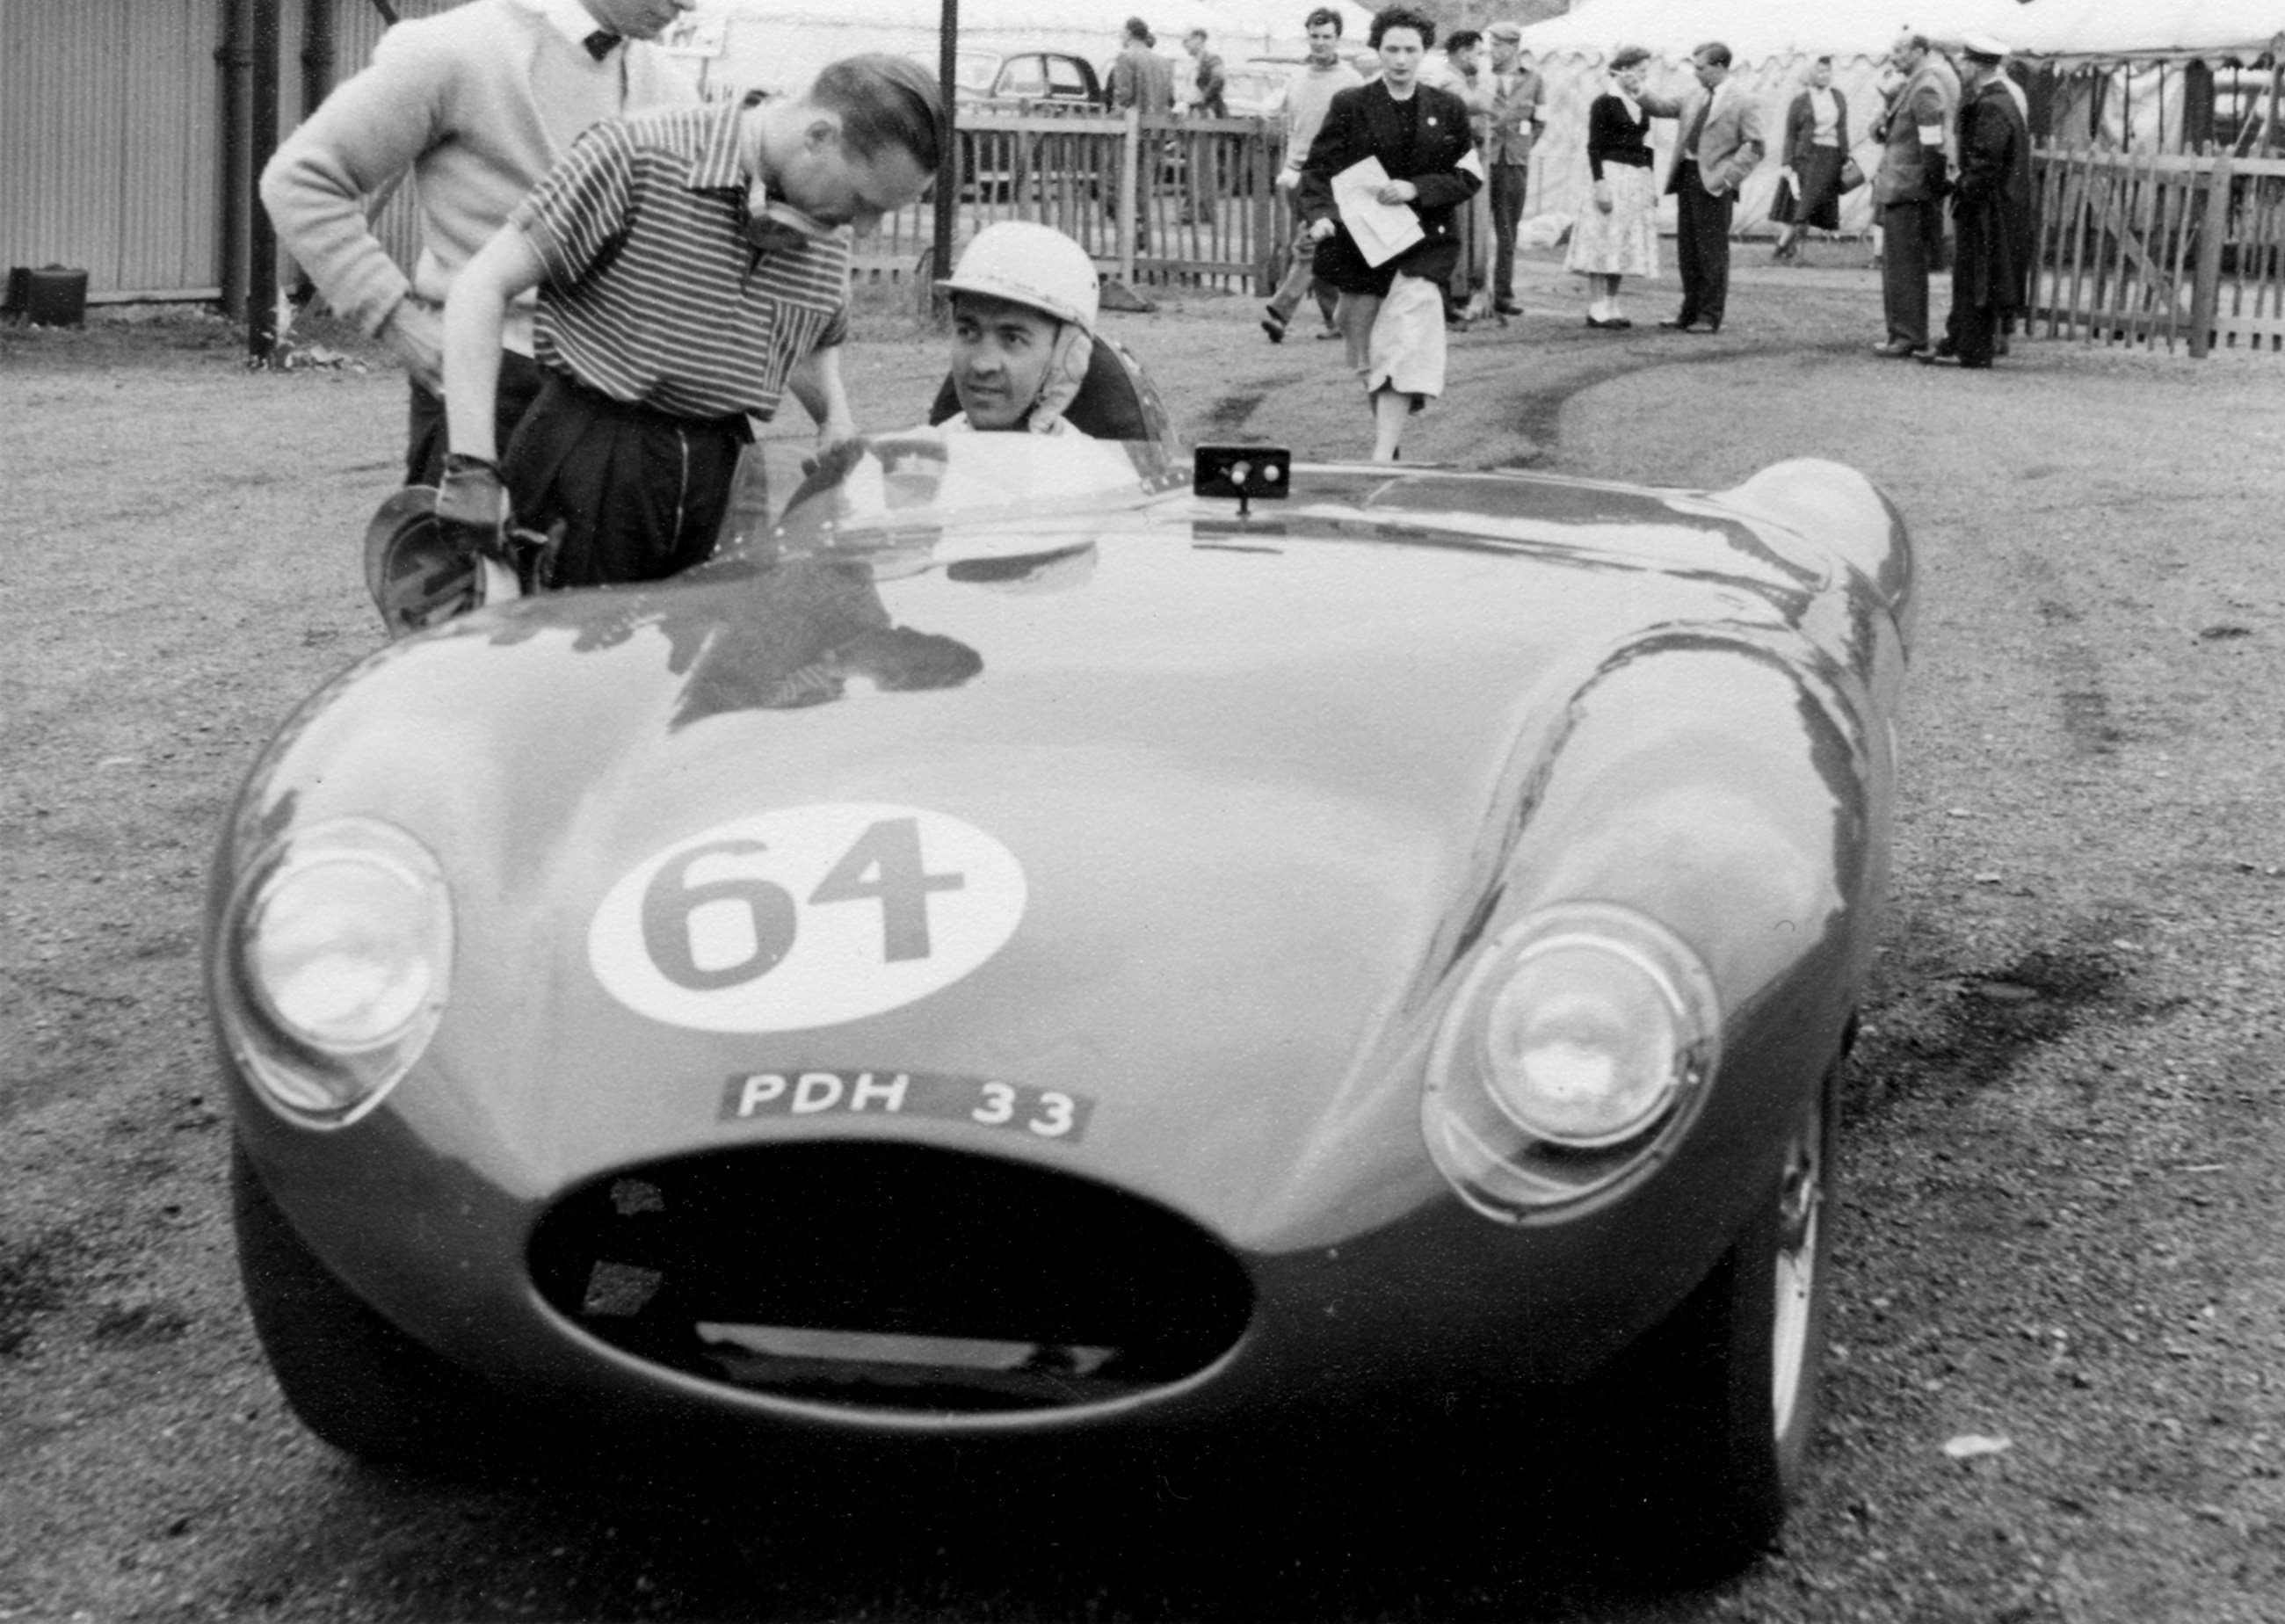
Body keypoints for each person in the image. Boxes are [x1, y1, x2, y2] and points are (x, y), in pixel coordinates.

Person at [435, 54, 942, 590]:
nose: (864, 230)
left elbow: (807, 338)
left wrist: (834, 415)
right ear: (819, 136)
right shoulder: (636, 154)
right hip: (595, 458)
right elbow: (480, 286)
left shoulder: (823, 222)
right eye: (864, 202)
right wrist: (471, 467)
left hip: (721, 473)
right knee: (570, 663)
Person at [261, 0, 702, 489]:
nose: (690, 5)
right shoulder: (456, 49)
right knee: (474, 563)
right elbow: (300, 179)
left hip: (624, 403)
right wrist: (395, 319)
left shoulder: (670, 86)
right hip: (487, 387)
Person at [1300, 5, 1484, 462]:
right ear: (1377, 50)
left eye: (1411, 50)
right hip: (1363, 244)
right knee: (1365, 348)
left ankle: (1381, 457)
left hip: (1424, 245)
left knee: (1402, 342)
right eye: (1392, 49)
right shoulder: (1351, 105)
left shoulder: (1448, 108)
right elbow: (1319, 169)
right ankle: (1390, 432)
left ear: (1426, 52)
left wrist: (1416, 189)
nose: (1401, 60)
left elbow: (1468, 174)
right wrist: (1321, 214)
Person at [1925, 37, 2034, 370]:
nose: (1961, 68)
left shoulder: (1992, 105)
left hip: (1988, 206)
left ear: (1976, 65)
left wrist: (1962, 186)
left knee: (1978, 278)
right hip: (1991, 203)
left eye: (1965, 63)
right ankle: (1957, 342)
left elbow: (1987, 162)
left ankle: (1972, 350)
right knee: (1971, 276)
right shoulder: (1997, 100)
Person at [938, 223, 1102, 433]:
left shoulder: (1087, 464)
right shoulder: (922, 457)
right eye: (968, 332)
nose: (982, 365)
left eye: (1012, 339)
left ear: (1066, 356)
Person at [1261, 6, 1362, 344]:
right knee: (1323, 247)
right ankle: (1336, 322)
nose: (1320, 43)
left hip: (1332, 176)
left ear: (1338, 39)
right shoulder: (1297, 78)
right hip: (1298, 173)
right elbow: (1283, 119)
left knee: (1310, 243)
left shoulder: (1351, 81)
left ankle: (1281, 309)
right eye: (1315, 36)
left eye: (1327, 37)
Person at [1653, 41, 1764, 336]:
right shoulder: (1695, 95)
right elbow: (1662, 107)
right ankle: (1688, 312)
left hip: (1715, 183)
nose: (1695, 73)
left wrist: (1728, 180)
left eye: (1700, 68)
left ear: (1719, 66)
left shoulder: (1743, 100)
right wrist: (1635, 90)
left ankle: (1709, 315)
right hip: (1687, 176)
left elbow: (1755, 145)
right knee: (1688, 250)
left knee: (1711, 252)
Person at [1868, 32, 1959, 358]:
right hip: (1900, 187)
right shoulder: (1910, 84)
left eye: (1900, 50)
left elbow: (1932, 144)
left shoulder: (1925, 87)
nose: (1893, 56)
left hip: (1910, 189)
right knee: (1896, 265)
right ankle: (1900, 333)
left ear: (1920, 51)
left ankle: (1908, 335)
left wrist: (1933, 184)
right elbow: (1887, 133)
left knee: (1904, 267)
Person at [1564, 45, 1663, 330]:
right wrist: (1599, 183)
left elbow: (1647, 146)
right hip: (1610, 173)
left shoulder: (1641, 104)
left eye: (1646, 72)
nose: (1643, 76)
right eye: (1640, 70)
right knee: (1602, 239)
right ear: (1625, 69)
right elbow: (1594, 146)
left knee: (1621, 242)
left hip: (1635, 177)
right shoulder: (1604, 103)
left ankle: (1612, 303)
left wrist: (1650, 182)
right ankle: (1596, 307)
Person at [1429, 30, 1494, 323]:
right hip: (1445, 166)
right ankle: (1442, 302)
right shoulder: (1450, 80)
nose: (1480, 60)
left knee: (1446, 233)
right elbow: (1479, 104)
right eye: (1478, 53)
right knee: (1445, 233)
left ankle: (1445, 300)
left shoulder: (1449, 77)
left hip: (1448, 163)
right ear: (1464, 52)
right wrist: (1486, 77)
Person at [1481, 22, 1546, 317]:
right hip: (1483, 161)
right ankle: (1474, 292)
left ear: (1513, 47)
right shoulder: (1481, 77)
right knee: (1477, 229)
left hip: (1514, 164)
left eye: (1497, 45)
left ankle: (1503, 295)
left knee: (1507, 233)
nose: (1492, 51)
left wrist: (1522, 147)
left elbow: (1540, 121)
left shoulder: (1534, 79)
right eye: (1490, 45)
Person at [1772, 55, 1849, 263]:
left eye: (1828, 71)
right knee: (1802, 206)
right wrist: (1786, 162)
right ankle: (1787, 250)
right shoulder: (1800, 101)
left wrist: (1846, 155)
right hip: (1807, 157)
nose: (1825, 75)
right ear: (1809, 74)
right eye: (1820, 71)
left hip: (1832, 156)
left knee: (1814, 206)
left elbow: (1842, 128)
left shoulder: (1838, 96)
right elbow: (1790, 135)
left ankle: (1785, 249)